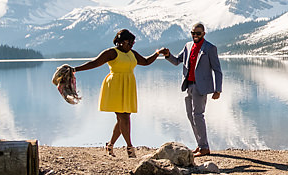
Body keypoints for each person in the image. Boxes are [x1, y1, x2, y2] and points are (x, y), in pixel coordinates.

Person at [73, 29, 160, 158]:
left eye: (133, 42)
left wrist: (158, 53)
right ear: (120, 41)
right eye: (128, 41)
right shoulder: (112, 53)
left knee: (123, 118)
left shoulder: (132, 53)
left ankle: (110, 145)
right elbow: (95, 63)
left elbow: (146, 62)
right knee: (124, 117)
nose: (131, 44)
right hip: (115, 86)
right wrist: (75, 69)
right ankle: (130, 148)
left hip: (128, 84)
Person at [159, 22, 222, 156]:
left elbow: (217, 70)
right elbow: (176, 61)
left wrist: (218, 90)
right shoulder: (188, 46)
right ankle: (200, 145)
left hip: (201, 87)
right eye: (193, 33)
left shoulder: (210, 48)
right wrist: (167, 54)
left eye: (198, 33)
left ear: (203, 34)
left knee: (198, 116)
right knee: (190, 116)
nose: (195, 35)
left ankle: (205, 147)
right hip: (188, 85)